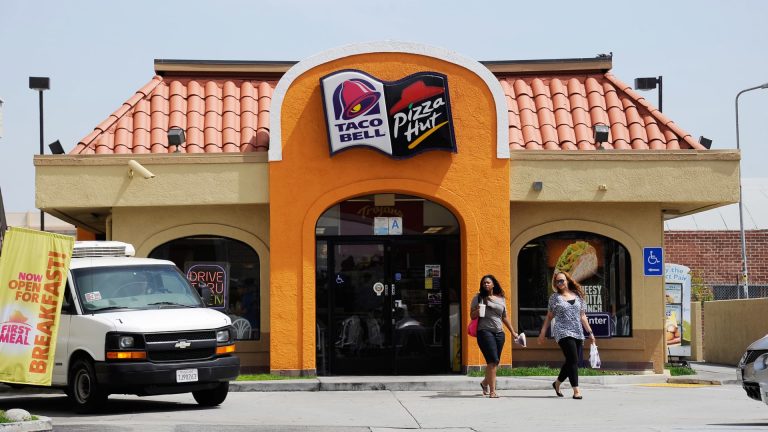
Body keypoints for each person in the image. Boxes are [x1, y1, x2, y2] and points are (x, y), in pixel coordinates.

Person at [537, 271, 596, 400]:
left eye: (562, 280)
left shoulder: (578, 296)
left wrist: (590, 333)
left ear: (567, 281)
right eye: (557, 281)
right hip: (562, 331)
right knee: (573, 359)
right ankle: (576, 390)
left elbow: (583, 316)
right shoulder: (554, 298)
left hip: (578, 331)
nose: (560, 283)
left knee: (571, 360)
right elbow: (549, 316)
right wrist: (543, 332)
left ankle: (557, 383)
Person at [470, 274, 521, 398]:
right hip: (484, 332)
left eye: (488, 282)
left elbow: (504, 317)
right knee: (492, 360)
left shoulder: (501, 298)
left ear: (493, 284)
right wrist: (479, 310)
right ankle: (492, 391)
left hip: (499, 333)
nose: (486, 284)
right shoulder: (478, 297)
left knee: (495, 362)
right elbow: (472, 315)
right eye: (484, 283)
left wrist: (513, 332)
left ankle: (484, 383)